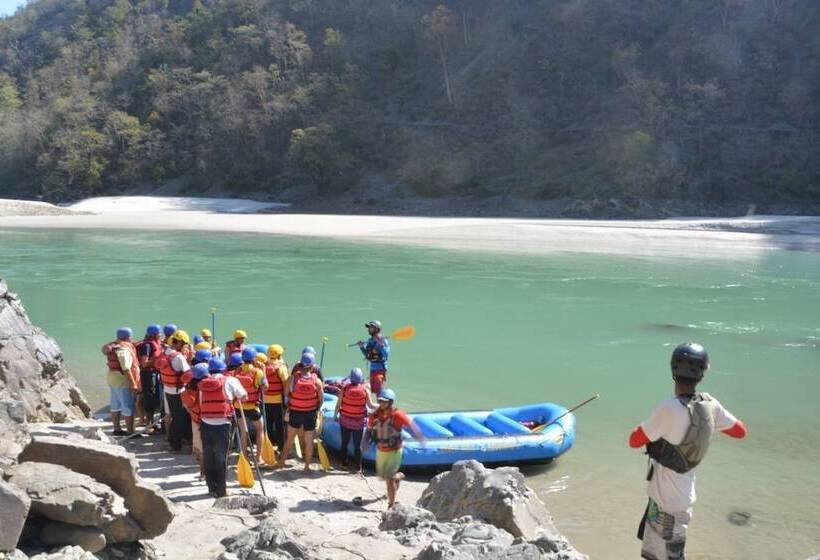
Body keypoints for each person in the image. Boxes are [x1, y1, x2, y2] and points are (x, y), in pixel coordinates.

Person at [629, 343, 747, 560]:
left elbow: (634, 440)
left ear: (673, 370)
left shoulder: (669, 408)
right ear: (702, 373)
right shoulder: (710, 405)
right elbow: (740, 431)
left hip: (666, 501)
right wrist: (707, 428)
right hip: (682, 495)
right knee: (664, 554)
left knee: (668, 556)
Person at [363, 388, 424, 508]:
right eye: (380, 401)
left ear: (391, 402)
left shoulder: (398, 415)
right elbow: (368, 431)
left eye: (384, 401)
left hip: (395, 451)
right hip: (381, 451)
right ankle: (399, 476)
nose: (381, 403)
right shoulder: (374, 416)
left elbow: (412, 425)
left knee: (389, 479)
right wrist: (365, 443)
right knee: (384, 477)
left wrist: (420, 437)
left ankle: (391, 505)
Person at [199, 357, 247, 498]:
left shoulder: (203, 383)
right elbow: (244, 396)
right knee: (221, 457)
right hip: (223, 424)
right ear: (223, 368)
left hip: (205, 423)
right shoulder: (230, 380)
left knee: (208, 456)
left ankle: (211, 488)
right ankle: (221, 491)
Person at [277, 352, 324, 471]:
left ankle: (281, 462)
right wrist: (316, 408)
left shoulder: (292, 378)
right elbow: (321, 399)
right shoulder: (317, 381)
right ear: (312, 367)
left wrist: (290, 405)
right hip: (310, 414)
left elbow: (286, 395)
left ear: (300, 365)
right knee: (309, 442)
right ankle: (307, 466)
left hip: (295, 413)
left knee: (289, 439)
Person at [333, 368, 377, 472]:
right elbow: (370, 405)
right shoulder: (365, 390)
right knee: (358, 446)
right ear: (360, 379)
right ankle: (358, 468)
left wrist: (335, 416)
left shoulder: (345, 388)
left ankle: (343, 464)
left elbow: (338, 404)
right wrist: (381, 405)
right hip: (358, 423)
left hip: (345, 421)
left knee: (344, 443)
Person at [101, 327, 141, 436]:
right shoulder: (124, 350)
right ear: (128, 337)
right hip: (122, 381)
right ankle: (130, 431)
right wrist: (133, 383)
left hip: (112, 379)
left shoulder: (114, 346)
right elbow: (126, 368)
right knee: (128, 406)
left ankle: (117, 428)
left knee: (115, 405)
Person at [157, 330, 192, 452]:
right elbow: (188, 373)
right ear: (179, 343)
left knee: (175, 417)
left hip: (167, 390)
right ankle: (176, 445)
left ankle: (179, 440)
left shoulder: (164, 352)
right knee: (179, 418)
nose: (184, 347)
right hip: (178, 391)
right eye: (184, 345)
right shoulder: (178, 357)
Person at [234, 347, 267, 464]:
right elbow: (265, 388)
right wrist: (264, 370)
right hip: (253, 407)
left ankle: (245, 458)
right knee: (259, 430)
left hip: (239, 407)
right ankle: (258, 458)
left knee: (243, 432)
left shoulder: (237, 371)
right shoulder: (258, 372)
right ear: (254, 359)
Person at [181, 362, 210, 479]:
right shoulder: (208, 389)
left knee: (199, 448)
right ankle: (205, 472)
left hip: (195, 420)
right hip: (208, 421)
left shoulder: (187, 389)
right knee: (207, 448)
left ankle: (202, 472)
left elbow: (186, 406)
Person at [135, 324, 163, 432]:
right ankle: (148, 426)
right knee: (149, 399)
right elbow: (144, 363)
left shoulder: (155, 343)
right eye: (159, 333)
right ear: (154, 334)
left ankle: (151, 423)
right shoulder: (147, 346)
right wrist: (157, 360)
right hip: (147, 374)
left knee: (153, 398)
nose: (160, 335)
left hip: (153, 373)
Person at [263, 344, 289, 451]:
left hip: (265, 400)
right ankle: (281, 447)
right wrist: (286, 398)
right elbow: (285, 384)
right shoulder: (281, 367)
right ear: (279, 355)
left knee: (268, 424)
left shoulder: (263, 366)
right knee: (280, 425)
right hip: (277, 400)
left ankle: (269, 445)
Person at [357, 320, 390, 394]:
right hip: (372, 369)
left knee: (379, 392)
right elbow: (368, 356)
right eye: (368, 328)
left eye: (370, 328)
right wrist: (362, 347)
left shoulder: (383, 340)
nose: (368, 329)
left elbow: (386, 355)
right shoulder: (370, 341)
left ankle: (381, 404)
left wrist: (381, 345)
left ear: (376, 329)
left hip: (380, 370)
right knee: (372, 390)